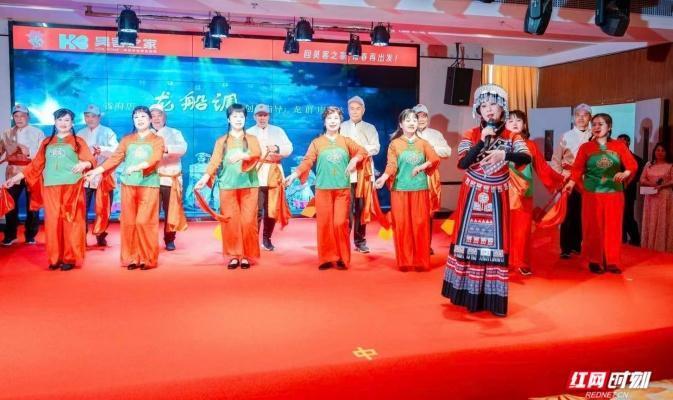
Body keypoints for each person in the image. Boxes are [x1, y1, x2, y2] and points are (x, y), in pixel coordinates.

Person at [441, 84, 531, 317]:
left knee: (495, 246)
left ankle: (491, 299)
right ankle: (464, 295)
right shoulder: (471, 134)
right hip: (472, 195)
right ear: (478, 110)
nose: (489, 109)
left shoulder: (512, 136)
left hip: (497, 196)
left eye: (493, 104)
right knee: (467, 244)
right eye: (483, 106)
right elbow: (462, 163)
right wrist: (481, 141)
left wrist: (504, 154)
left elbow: (526, 157)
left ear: (503, 108)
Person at [5, 108, 95, 270]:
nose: (63, 123)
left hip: (72, 187)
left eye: (67, 120)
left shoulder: (78, 141)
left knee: (70, 222)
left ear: (72, 123)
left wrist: (84, 164)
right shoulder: (47, 142)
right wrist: (15, 178)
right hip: (51, 187)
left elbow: (90, 160)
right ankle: (55, 258)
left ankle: (69, 258)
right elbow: (35, 165)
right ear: (55, 122)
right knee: (53, 222)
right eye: (60, 120)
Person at [284, 106, 367, 270]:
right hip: (323, 190)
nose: (333, 121)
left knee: (340, 223)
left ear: (340, 121)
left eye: (336, 118)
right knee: (325, 224)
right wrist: (295, 174)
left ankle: (342, 257)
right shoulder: (317, 142)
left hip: (342, 189)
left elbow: (362, 151)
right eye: (329, 118)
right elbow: (308, 161)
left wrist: (354, 159)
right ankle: (326, 258)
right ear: (324, 121)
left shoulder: (346, 141)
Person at [85, 106, 165, 270]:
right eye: (136, 117)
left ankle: (147, 258)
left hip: (148, 184)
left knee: (144, 221)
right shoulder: (127, 139)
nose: (140, 120)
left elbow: (155, 158)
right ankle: (132, 257)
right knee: (129, 222)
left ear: (150, 120)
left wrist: (138, 166)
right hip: (128, 185)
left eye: (143, 116)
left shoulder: (157, 140)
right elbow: (115, 158)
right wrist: (97, 171)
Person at [563, 113, 638, 274]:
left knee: (613, 228)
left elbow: (632, 165)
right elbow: (577, 168)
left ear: (609, 127)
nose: (596, 127)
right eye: (594, 124)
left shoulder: (619, 146)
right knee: (593, 227)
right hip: (592, 194)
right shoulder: (586, 147)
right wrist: (571, 183)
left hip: (614, 193)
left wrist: (625, 173)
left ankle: (612, 261)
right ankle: (594, 260)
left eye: (601, 124)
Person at [195, 104, 261, 269]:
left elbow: (257, 153)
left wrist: (242, 155)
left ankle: (246, 255)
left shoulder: (251, 139)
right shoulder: (221, 141)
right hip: (227, 186)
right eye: (234, 116)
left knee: (248, 222)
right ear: (228, 119)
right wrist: (205, 177)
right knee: (231, 222)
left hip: (249, 185)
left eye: (241, 117)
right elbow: (214, 161)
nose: (238, 120)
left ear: (245, 119)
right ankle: (233, 255)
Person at [374, 109, 439, 271]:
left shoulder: (423, 143)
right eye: (408, 120)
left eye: (414, 120)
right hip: (400, 190)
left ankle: (420, 261)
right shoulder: (395, 144)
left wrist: (421, 166)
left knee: (420, 224)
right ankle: (405, 261)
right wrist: (383, 177)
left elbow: (434, 159)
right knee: (402, 225)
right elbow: (392, 165)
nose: (412, 123)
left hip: (420, 189)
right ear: (401, 124)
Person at [506, 110, 564, 276]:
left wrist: (560, 181)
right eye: (511, 120)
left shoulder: (530, 145)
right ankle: (503, 261)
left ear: (524, 125)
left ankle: (521, 262)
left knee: (522, 229)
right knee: (503, 229)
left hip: (523, 193)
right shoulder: (499, 143)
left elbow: (543, 169)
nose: (515, 123)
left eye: (519, 120)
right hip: (502, 192)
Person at [247, 104, 293, 251]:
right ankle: (253, 240)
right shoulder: (248, 132)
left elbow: (289, 148)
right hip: (256, 173)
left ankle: (267, 240)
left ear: (269, 116)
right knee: (256, 210)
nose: (262, 118)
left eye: (265, 115)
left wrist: (277, 148)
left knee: (271, 209)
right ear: (254, 117)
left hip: (274, 172)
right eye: (259, 115)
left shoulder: (278, 131)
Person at [551, 104, 593, 259]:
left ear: (590, 117)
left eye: (585, 115)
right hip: (569, 179)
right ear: (573, 118)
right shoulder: (566, 136)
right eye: (578, 115)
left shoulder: (594, 136)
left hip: (587, 180)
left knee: (583, 214)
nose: (581, 118)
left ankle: (577, 244)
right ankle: (566, 247)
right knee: (567, 214)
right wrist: (563, 173)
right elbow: (556, 159)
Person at [0, 104, 45, 245]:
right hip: (13, 172)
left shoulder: (37, 133)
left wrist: (28, 151)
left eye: (22, 116)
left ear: (28, 117)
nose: (19, 119)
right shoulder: (6, 133)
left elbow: (42, 155)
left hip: (32, 171)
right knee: (10, 204)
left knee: (32, 204)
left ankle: (30, 235)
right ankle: (10, 235)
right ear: (13, 117)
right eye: (16, 116)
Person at [340, 96, 380, 254]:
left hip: (364, 171)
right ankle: (343, 241)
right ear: (348, 110)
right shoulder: (341, 126)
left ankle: (360, 241)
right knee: (346, 208)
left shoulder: (370, 128)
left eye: (358, 108)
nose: (355, 111)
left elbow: (375, 147)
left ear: (363, 110)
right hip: (346, 171)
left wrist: (358, 153)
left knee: (362, 207)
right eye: (352, 108)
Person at [77, 104, 118, 246]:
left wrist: (102, 149)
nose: (90, 119)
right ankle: (81, 236)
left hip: (103, 175)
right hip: (85, 176)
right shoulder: (80, 133)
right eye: (87, 116)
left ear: (99, 117)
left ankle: (101, 235)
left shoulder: (108, 132)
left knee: (103, 208)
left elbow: (116, 152)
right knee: (81, 208)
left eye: (93, 116)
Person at [413, 103, 451, 254]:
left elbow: (447, 152)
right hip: (412, 177)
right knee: (413, 212)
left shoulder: (435, 134)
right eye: (418, 116)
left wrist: (431, 149)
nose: (421, 119)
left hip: (430, 177)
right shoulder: (408, 133)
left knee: (428, 212)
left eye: (424, 116)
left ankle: (426, 245)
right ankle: (413, 244)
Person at [150, 103, 188, 251]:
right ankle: (150, 240)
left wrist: (167, 149)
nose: (156, 119)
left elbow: (183, 148)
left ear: (165, 117)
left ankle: (170, 239)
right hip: (151, 179)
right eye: (153, 116)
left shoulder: (174, 132)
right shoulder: (146, 134)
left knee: (170, 210)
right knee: (151, 212)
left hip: (170, 178)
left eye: (159, 115)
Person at [639, 143, 673, 252]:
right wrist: (651, 184)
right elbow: (642, 179)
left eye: (663, 150)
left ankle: (662, 247)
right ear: (654, 152)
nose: (660, 153)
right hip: (651, 195)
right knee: (651, 219)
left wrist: (662, 186)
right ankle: (649, 246)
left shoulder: (670, 165)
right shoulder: (649, 164)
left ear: (666, 153)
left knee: (663, 220)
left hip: (665, 195)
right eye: (658, 150)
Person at [615, 134, 645, 246]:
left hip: (628, 192)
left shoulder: (637, 159)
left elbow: (639, 176)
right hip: (614, 192)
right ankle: (621, 239)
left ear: (628, 143)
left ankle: (635, 239)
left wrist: (626, 181)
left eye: (622, 142)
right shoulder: (613, 158)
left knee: (628, 216)